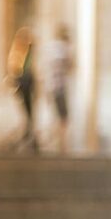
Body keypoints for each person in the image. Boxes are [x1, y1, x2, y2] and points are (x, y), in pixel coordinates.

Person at [6, 26, 38, 153]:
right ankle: (28, 137)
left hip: (27, 86)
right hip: (23, 86)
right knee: (27, 114)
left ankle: (29, 136)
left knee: (29, 114)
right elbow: (15, 70)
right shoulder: (18, 53)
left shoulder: (28, 53)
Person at [47, 24, 74, 152]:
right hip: (59, 87)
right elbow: (67, 65)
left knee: (59, 116)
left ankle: (59, 144)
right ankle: (61, 145)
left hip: (53, 87)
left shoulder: (52, 47)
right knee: (63, 117)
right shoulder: (61, 48)